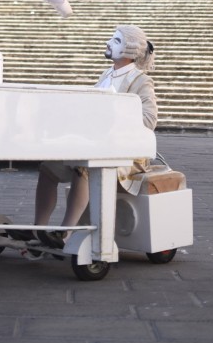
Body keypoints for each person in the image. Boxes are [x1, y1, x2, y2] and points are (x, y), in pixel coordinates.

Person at [33, 24, 157, 248]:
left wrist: (113, 113)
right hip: (96, 144)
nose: (108, 43)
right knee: (48, 169)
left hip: (126, 154)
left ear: (129, 50)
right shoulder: (106, 74)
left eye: (116, 41)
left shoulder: (140, 81)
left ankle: (65, 234)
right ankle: (38, 229)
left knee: (84, 166)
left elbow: (149, 120)